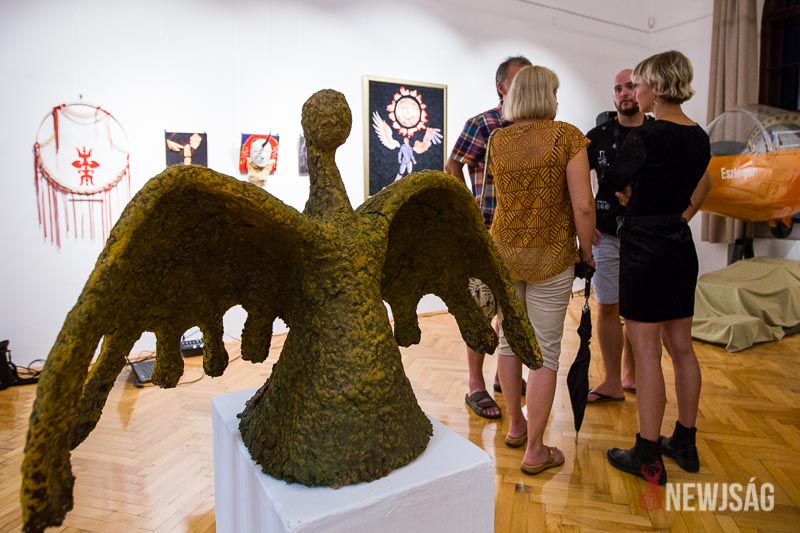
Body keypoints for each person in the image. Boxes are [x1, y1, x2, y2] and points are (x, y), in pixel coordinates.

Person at [604, 50, 712, 485]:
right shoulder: (700, 137)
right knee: (682, 347)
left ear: (660, 87)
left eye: (642, 83)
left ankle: (648, 454)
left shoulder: (646, 136)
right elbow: (695, 186)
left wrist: (632, 193)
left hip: (644, 246)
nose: (637, 91)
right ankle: (685, 440)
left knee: (646, 351)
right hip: (679, 243)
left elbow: (613, 181)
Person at [486, 65, 595, 474]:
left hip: (505, 253)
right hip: (551, 255)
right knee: (546, 352)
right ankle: (535, 450)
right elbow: (583, 205)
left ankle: (516, 426)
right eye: (555, 91)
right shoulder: (566, 136)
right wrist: (587, 252)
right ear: (546, 95)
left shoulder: (498, 139)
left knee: (509, 342)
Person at [446, 55, 532, 419]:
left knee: (513, 308)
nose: (528, 85)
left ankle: (503, 375)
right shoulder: (483, 124)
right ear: (502, 87)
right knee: (481, 309)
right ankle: (475, 384)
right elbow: (453, 165)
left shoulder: (536, 128)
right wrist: (468, 211)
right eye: (520, 79)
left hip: (523, 236)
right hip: (486, 234)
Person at [584, 69, 650, 403]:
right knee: (608, 307)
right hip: (606, 234)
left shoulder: (658, 134)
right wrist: (584, 223)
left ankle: (632, 375)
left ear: (644, 90)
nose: (624, 93)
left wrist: (682, 217)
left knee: (638, 310)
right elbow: (574, 182)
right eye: (618, 88)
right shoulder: (596, 137)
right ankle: (612, 381)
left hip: (648, 236)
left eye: (630, 86)